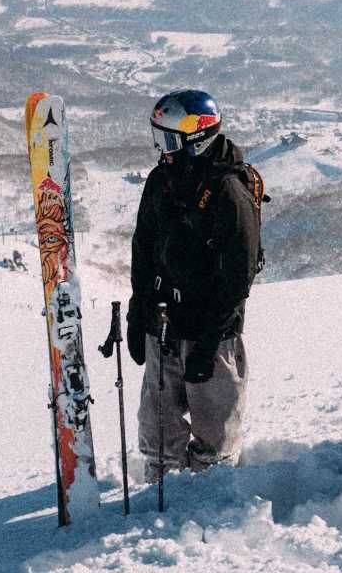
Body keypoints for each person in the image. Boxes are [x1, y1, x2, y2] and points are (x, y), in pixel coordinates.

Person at [127, 89, 260, 478]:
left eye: (169, 140)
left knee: (214, 439)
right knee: (157, 431)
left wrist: (208, 340)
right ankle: (159, 492)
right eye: (158, 139)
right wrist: (139, 308)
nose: (162, 151)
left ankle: (208, 505)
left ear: (196, 138)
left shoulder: (228, 191)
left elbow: (238, 275)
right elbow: (143, 246)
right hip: (164, 323)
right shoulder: (161, 181)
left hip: (211, 329)